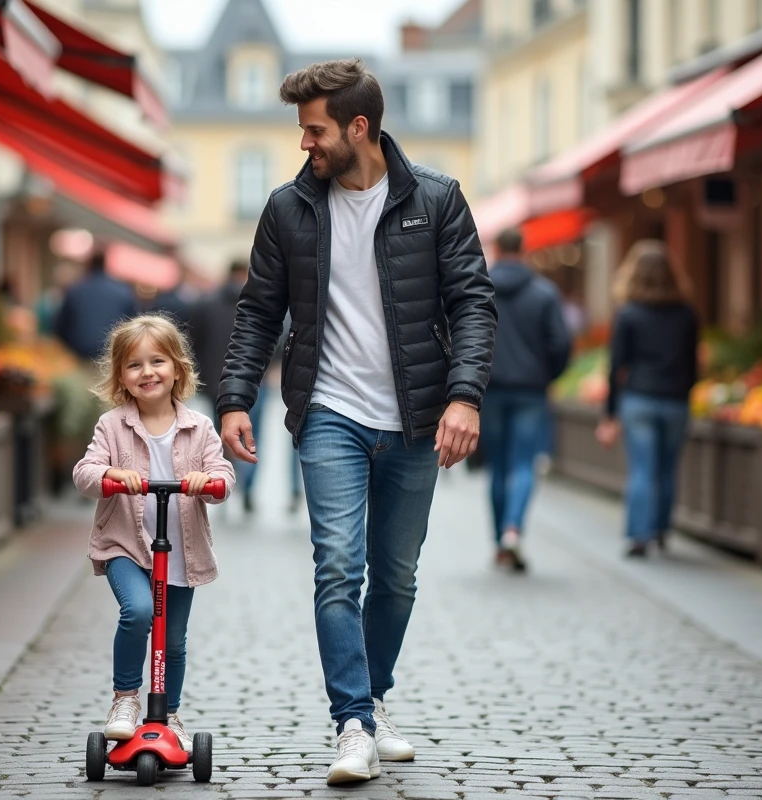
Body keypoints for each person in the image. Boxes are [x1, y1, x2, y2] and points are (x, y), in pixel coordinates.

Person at [214, 58, 496, 785]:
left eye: (315, 130)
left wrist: (464, 397)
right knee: (338, 565)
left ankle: (371, 698)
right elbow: (257, 312)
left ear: (359, 127)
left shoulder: (437, 200)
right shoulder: (288, 209)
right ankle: (352, 723)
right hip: (329, 411)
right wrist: (236, 397)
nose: (305, 144)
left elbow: (472, 303)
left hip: (415, 417)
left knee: (395, 576)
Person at [72, 314, 235, 752]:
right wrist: (108, 473)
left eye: (157, 361)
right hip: (125, 543)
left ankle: (170, 714)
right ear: (121, 377)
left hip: (181, 549)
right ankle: (125, 699)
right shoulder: (112, 426)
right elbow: (84, 472)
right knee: (140, 612)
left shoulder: (199, 426)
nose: (147, 372)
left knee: (174, 640)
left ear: (178, 368)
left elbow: (223, 475)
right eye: (135, 365)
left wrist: (210, 482)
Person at [595, 240, 699, 558]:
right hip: (675, 402)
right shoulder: (686, 314)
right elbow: (693, 363)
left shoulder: (628, 314)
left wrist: (610, 413)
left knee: (642, 469)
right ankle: (661, 530)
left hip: (638, 399)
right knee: (667, 469)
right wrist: (685, 393)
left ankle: (638, 536)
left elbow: (616, 367)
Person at [482, 228, 571, 571]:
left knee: (498, 468)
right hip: (531, 390)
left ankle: (500, 542)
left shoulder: (480, 287)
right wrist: (548, 375)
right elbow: (561, 344)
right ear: (524, 249)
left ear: (496, 248)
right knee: (523, 464)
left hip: (489, 389)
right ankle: (513, 530)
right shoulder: (544, 293)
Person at [189, 260, 266, 512]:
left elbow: (193, 343)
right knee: (253, 436)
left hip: (216, 381)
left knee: (222, 433)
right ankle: (247, 487)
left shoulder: (205, 304)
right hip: (255, 380)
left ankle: (223, 482)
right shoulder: (260, 304)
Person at [54, 251, 138, 361]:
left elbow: (59, 327)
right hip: (113, 357)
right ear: (105, 263)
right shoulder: (123, 291)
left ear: (89, 264)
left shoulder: (75, 290)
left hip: (81, 357)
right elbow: (133, 325)